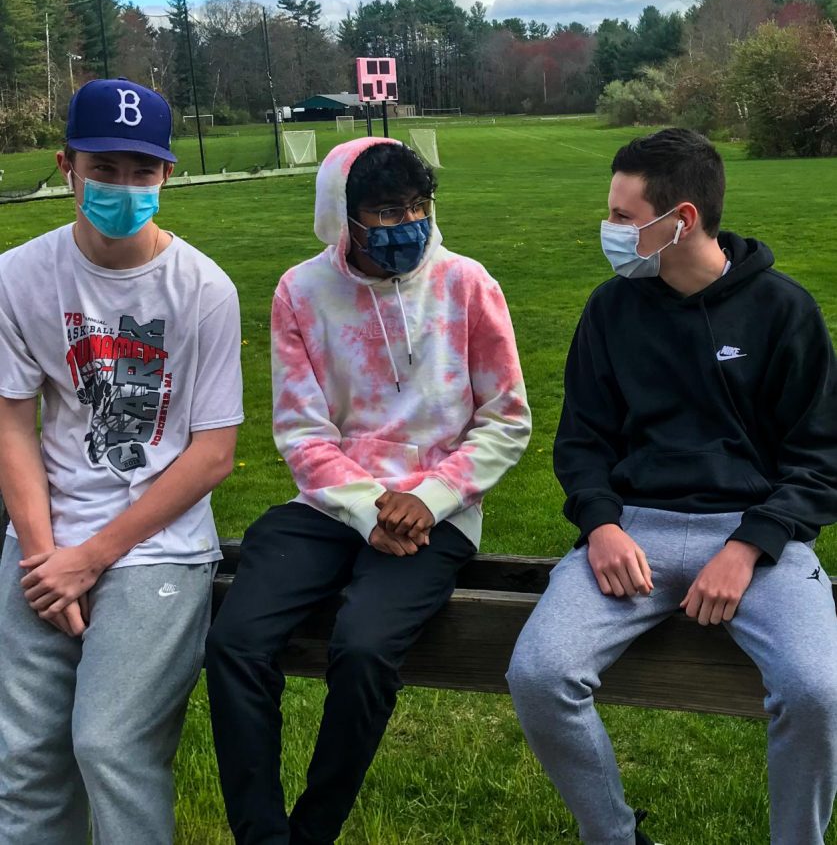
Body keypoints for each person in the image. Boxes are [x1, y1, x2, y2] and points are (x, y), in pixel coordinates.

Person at [507, 127, 837, 845]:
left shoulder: (782, 311)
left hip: (757, 539)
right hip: (632, 530)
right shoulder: (609, 310)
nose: (609, 231)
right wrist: (599, 525)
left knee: (817, 692)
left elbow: (821, 457)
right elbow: (582, 442)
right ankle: (616, 837)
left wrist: (748, 545)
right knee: (538, 675)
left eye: (623, 218)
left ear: (678, 220)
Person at [206, 137, 531, 845]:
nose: (406, 223)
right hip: (330, 501)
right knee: (235, 641)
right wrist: (365, 507)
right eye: (385, 211)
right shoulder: (300, 291)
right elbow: (299, 430)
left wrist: (434, 497)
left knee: (363, 649)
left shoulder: (467, 284)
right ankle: (262, 835)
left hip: (436, 508)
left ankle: (313, 829)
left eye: (417, 206)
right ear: (341, 217)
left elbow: (506, 419)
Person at [0, 78, 243, 845]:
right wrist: (46, 557)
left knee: (110, 744)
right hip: (43, 540)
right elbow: (11, 425)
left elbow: (211, 455)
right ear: (67, 166)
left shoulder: (203, 289)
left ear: (167, 174)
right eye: (104, 169)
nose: (123, 187)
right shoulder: (17, 276)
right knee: (23, 757)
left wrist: (92, 558)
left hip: (154, 545)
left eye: (142, 171)